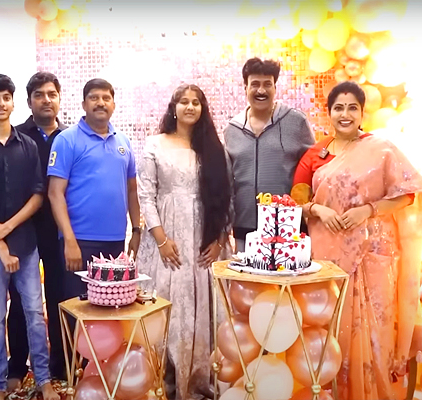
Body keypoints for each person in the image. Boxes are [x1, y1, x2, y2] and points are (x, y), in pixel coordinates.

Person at [293, 81, 422, 400]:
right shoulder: (315, 154)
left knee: (375, 334)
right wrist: (317, 209)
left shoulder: (381, 149)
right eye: (338, 108)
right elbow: (297, 199)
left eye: (352, 108)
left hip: (375, 256)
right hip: (329, 258)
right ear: (328, 113)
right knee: (333, 332)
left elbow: (408, 195)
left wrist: (367, 211)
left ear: (361, 112)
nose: (345, 114)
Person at [0, 71, 67, 385]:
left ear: (13, 102)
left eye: (6, 98)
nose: (1, 103)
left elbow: (38, 193)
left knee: (37, 311)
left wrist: (6, 228)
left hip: (29, 239)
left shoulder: (34, 143)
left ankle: (46, 378)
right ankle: (2, 379)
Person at [136, 84, 233, 400]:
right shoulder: (155, 144)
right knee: (168, 306)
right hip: (167, 240)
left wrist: (219, 240)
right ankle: (163, 379)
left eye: (196, 102)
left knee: (203, 308)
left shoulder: (214, 149)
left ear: (202, 110)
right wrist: (161, 239)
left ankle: (198, 379)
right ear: (173, 108)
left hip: (204, 241)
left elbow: (225, 198)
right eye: (184, 102)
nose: (190, 107)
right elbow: (146, 195)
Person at [47, 78, 141, 301]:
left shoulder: (124, 142)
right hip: (79, 241)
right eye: (94, 98)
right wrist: (69, 240)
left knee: (113, 303)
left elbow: (132, 190)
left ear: (113, 105)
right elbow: (55, 193)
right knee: (78, 306)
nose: (100, 103)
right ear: (83, 104)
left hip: (116, 241)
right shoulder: (66, 140)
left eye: (106, 98)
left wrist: (136, 231)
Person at [224, 57, 315, 251]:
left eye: (267, 84)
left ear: (275, 87)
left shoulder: (295, 122)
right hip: (244, 226)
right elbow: (228, 182)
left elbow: (313, 167)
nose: (261, 90)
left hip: (288, 225)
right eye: (255, 84)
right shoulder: (232, 129)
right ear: (245, 88)